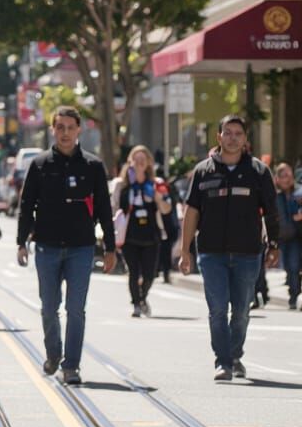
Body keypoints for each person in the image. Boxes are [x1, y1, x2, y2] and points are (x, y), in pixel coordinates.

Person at [16, 106, 117, 385]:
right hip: (46, 247)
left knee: (76, 309)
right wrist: (21, 242)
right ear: (52, 130)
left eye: (70, 128)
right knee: (49, 307)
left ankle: (71, 365)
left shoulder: (93, 166)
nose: (65, 133)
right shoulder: (39, 165)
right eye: (60, 127)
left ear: (78, 130)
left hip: (81, 248)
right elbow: (26, 206)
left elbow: (104, 209)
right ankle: (53, 353)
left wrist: (110, 248)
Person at [179, 115, 281, 381]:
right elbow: (192, 212)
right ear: (219, 137)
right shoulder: (203, 171)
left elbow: (271, 212)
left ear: (245, 139)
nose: (233, 138)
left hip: (248, 253)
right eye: (228, 133)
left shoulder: (258, 171)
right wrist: (185, 250)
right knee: (217, 310)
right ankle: (223, 361)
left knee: (241, 311)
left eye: (238, 133)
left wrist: (274, 244)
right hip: (211, 253)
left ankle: (235, 355)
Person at [113, 146, 170, 318]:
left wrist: (157, 197)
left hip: (151, 235)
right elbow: (114, 208)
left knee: (149, 274)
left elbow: (167, 209)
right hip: (129, 235)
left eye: (142, 160)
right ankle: (136, 304)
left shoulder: (156, 183)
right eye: (135, 160)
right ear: (130, 162)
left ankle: (142, 297)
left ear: (148, 163)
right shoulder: (122, 185)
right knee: (133, 272)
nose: (139, 164)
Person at [275, 163, 302, 309]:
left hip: (296, 237)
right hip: (282, 238)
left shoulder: (299, 192)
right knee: (288, 268)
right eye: (284, 175)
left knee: (294, 266)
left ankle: (295, 296)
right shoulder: (275, 196)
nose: (287, 178)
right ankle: (294, 294)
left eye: (289, 175)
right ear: (278, 179)